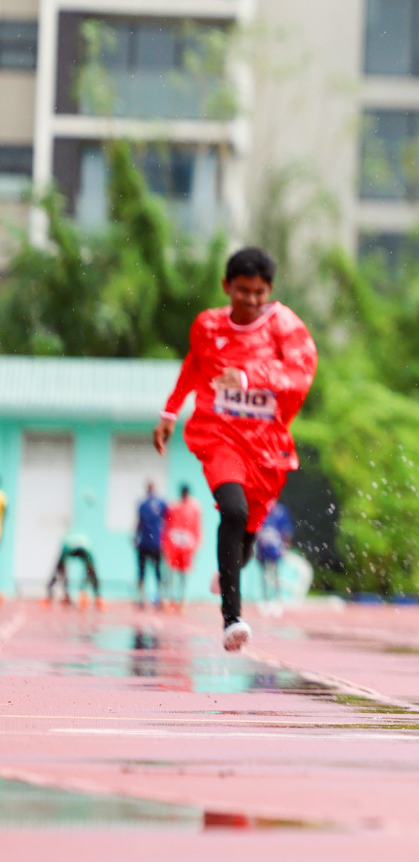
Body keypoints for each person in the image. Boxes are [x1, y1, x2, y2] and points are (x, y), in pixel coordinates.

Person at [153, 247, 318, 652]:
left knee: (245, 540)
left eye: (259, 293)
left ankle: (228, 569)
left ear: (270, 291)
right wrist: (170, 412)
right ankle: (232, 619)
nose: (251, 300)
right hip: (220, 436)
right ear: (227, 287)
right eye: (243, 291)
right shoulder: (208, 326)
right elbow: (194, 364)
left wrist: (247, 376)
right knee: (233, 510)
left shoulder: (284, 325)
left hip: (266, 446)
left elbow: (301, 373)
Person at [161, 484, 203, 611]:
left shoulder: (194, 508)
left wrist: (196, 544)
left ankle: (182, 600)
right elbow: (167, 525)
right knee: (171, 572)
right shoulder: (173, 506)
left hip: (187, 545)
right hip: (174, 543)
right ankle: (171, 599)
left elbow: (197, 527)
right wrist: (165, 543)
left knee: (184, 573)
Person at [46, 532, 102, 609]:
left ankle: (96, 597)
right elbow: (60, 570)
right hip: (72, 547)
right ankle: (60, 594)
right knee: (60, 569)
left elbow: (90, 572)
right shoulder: (66, 548)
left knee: (90, 570)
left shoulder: (86, 551)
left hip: (81, 548)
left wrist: (83, 590)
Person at [134, 481, 167, 609]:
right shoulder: (161, 504)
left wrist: (136, 537)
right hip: (155, 543)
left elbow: (139, 523)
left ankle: (142, 598)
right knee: (156, 571)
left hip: (147, 543)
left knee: (143, 571)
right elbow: (166, 522)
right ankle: (157, 598)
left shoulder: (142, 505)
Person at [256, 502, 293, 601]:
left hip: (276, 546)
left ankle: (276, 597)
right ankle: (266, 598)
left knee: (275, 571)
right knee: (264, 573)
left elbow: (286, 531)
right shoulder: (261, 509)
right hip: (263, 547)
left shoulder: (281, 511)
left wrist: (286, 547)